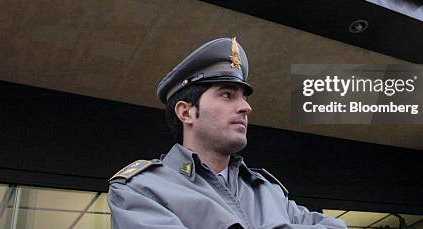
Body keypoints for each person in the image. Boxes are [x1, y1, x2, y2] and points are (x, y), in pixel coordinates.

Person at [108, 37, 348, 228]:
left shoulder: (268, 191)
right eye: (227, 94)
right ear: (186, 112)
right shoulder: (141, 189)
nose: (246, 107)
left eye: (244, 97)